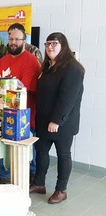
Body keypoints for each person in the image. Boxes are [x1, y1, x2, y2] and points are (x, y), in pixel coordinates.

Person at [30, 32, 85, 204]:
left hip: (62, 123)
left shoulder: (73, 68)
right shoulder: (47, 66)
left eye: (54, 43)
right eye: (47, 44)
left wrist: (56, 121)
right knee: (41, 151)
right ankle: (39, 183)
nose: (50, 47)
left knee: (63, 155)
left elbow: (67, 98)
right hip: (44, 120)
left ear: (63, 46)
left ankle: (61, 190)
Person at [0, 23, 41, 183]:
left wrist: (13, 85)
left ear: (24, 41)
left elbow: (26, 90)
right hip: (3, 114)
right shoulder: (3, 60)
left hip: (24, 117)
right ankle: (5, 177)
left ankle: (29, 178)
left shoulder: (31, 61)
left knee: (26, 150)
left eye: (17, 39)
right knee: (5, 147)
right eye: (11, 38)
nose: (13, 42)